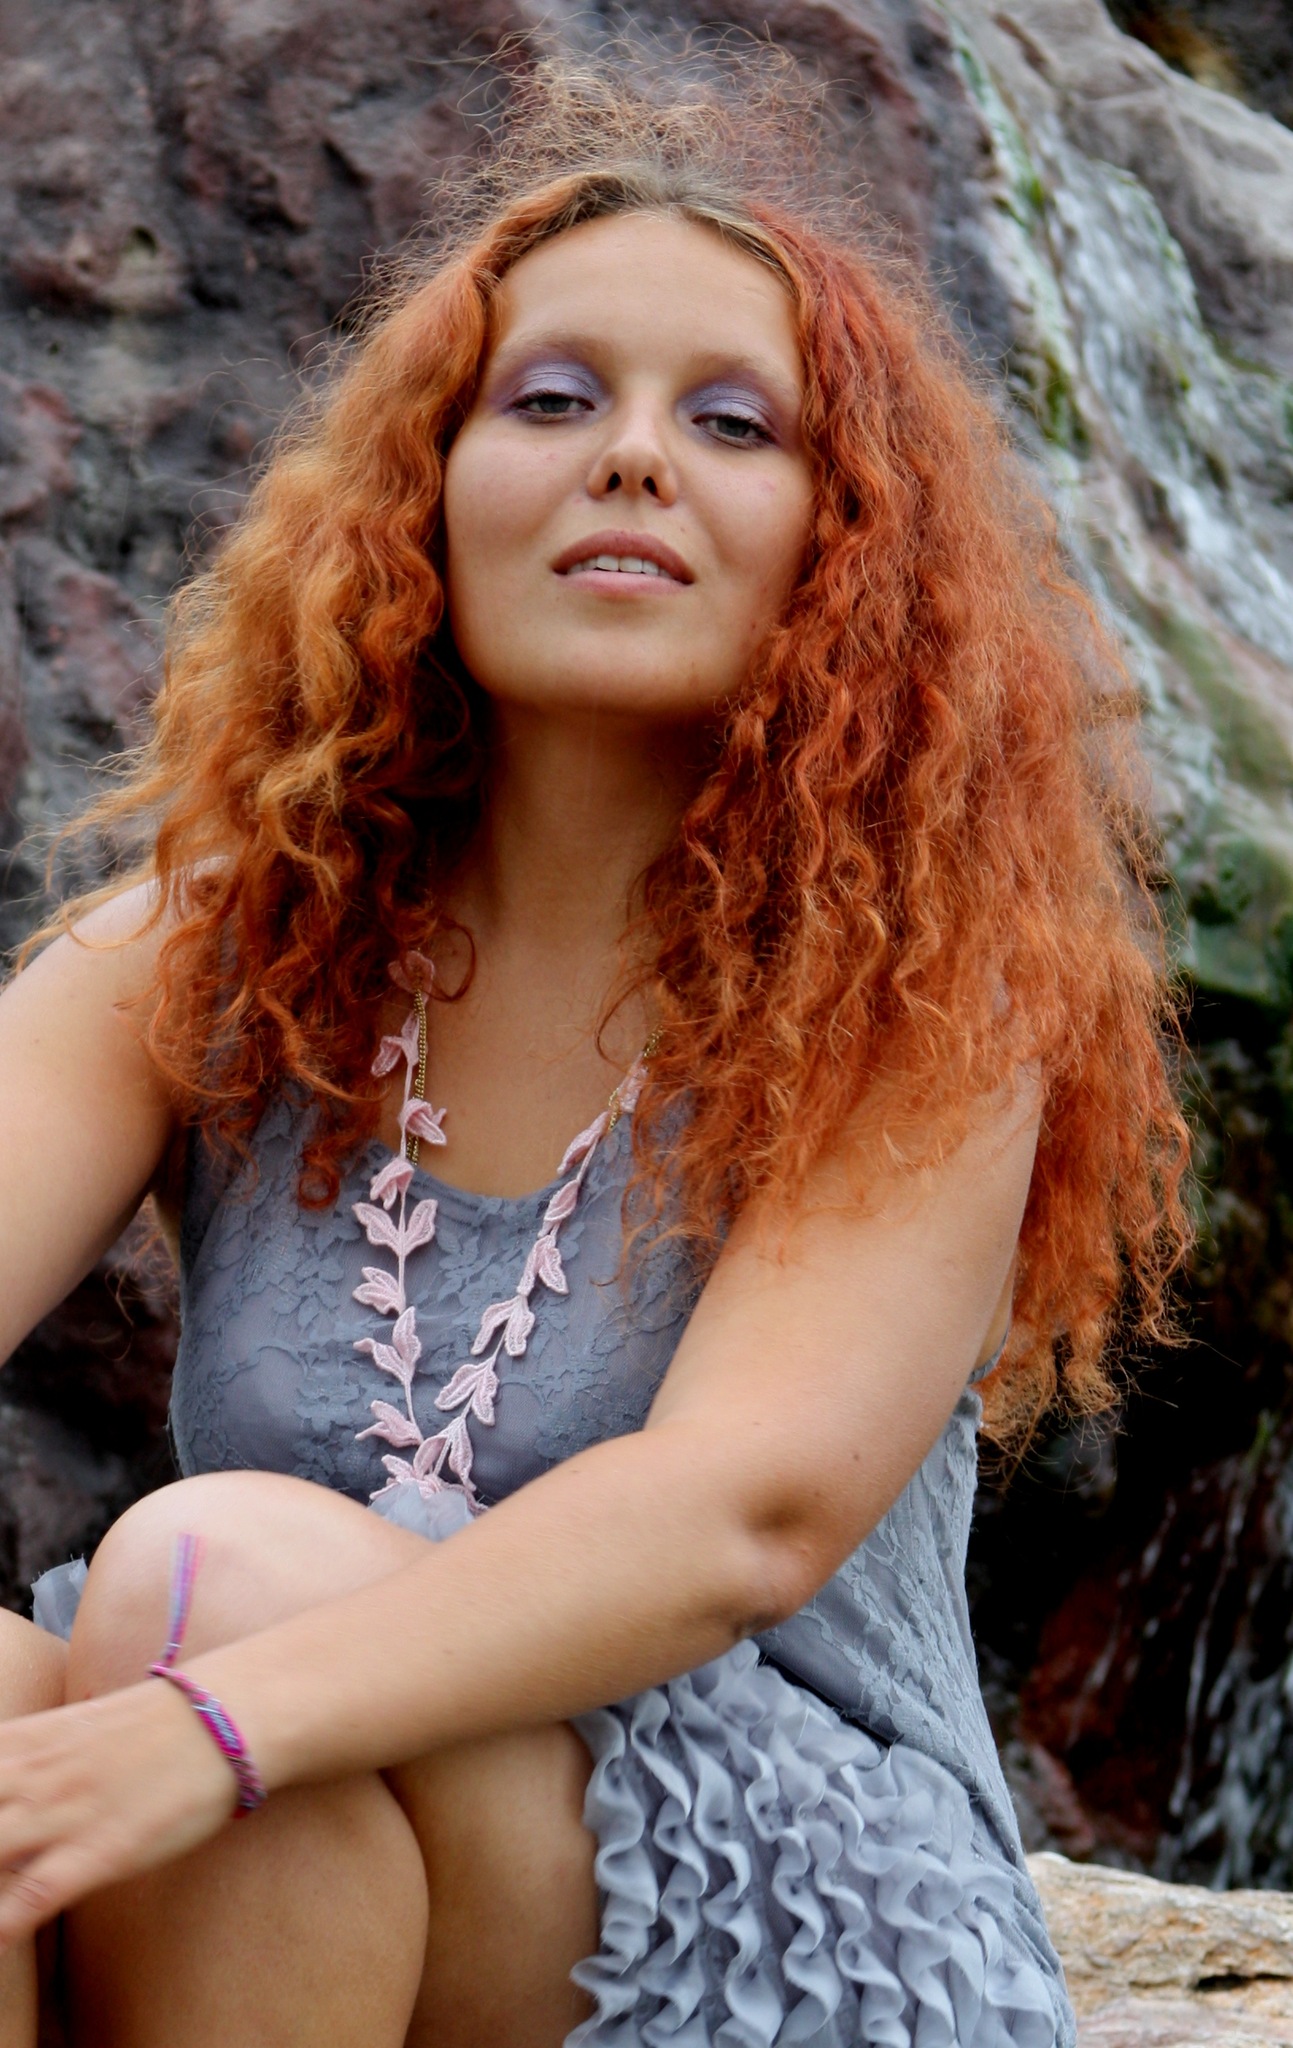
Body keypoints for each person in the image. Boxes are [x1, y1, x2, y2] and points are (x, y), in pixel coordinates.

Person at [0, 57, 1188, 2048]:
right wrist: (186, 1728)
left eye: (731, 424)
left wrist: (203, 1719)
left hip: (778, 1911)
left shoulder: (919, 1000)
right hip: (271, 1765)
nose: (632, 457)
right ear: (424, 494)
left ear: (838, 540)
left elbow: (740, 1518)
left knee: (209, 1588)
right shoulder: (221, 951)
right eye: (551, 400)